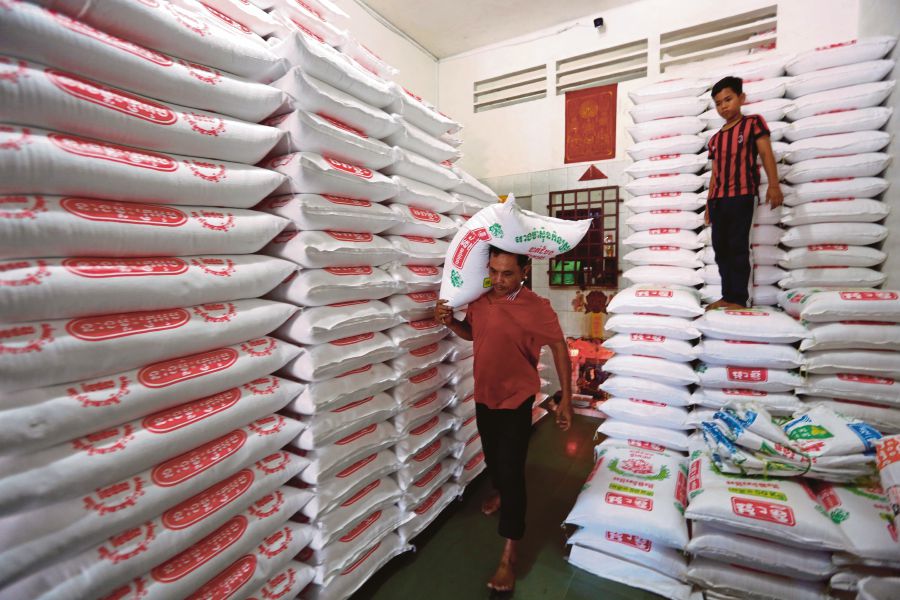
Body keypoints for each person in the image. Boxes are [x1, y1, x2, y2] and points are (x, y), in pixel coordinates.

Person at [434, 246, 573, 594]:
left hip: (517, 398)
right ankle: (500, 491)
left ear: (524, 270)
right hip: (484, 395)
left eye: (507, 273)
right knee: (495, 461)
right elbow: (473, 333)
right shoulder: (480, 300)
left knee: (511, 472)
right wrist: (451, 321)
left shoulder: (536, 308)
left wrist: (567, 399)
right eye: (494, 271)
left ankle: (509, 554)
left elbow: (559, 347)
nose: (498, 279)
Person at [705, 76, 784, 310]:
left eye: (728, 99)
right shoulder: (715, 139)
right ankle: (727, 295)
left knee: (738, 247)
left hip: (742, 196)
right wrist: (709, 204)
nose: (724, 106)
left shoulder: (753, 123)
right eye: (718, 103)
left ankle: (739, 299)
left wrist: (773, 185)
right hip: (719, 200)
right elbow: (715, 173)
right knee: (721, 249)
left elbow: (766, 154)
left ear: (741, 98)